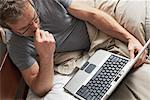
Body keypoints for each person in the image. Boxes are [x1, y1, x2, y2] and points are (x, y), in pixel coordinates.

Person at [0, 0, 149, 99]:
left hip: (96, 25)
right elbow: (39, 88)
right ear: (10, 28)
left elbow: (92, 15)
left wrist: (129, 38)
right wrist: (46, 55)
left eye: (35, 18)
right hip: (75, 58)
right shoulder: (15, 44)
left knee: (140, 18)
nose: (35, 27)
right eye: (25, 28)